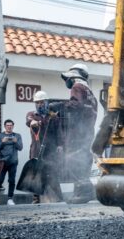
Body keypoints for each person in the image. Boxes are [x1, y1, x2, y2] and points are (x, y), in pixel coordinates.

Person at [51, 64, 99, 204]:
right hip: (87, 131)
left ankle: (85, 192)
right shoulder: (90, 92)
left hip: (78, 132)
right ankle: (82, 193)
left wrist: (58, 105)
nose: (67, 81)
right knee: (83, 160)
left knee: (72, 160)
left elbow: (75, 105)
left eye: (68, 78)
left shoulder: (77, 87)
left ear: (73, 76)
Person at [26, 91, 63, 203]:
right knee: (36, 174)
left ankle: (59, 198)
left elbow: (59, 132)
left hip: (50, 150)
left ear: (47, 103)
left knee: (53, 173)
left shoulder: (53, 117)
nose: (40, 104)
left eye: (42, 102)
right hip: (36, 149)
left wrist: (60, 145)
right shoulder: (32, 114)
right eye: (37, 102)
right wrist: (32, 122)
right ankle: (36, 198)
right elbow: (28, 121)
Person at [0, 119, 23, 205]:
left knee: (11, 180)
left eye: (11, 125)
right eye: (7, 125)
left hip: (13, 161)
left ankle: (10, 199)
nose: (9, 127)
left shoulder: (17, 136)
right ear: (5, 126)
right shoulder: (0, 136)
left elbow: (20, 148)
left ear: (13, 126)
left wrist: (15, 142)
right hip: (2, 162)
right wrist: (3, 142)